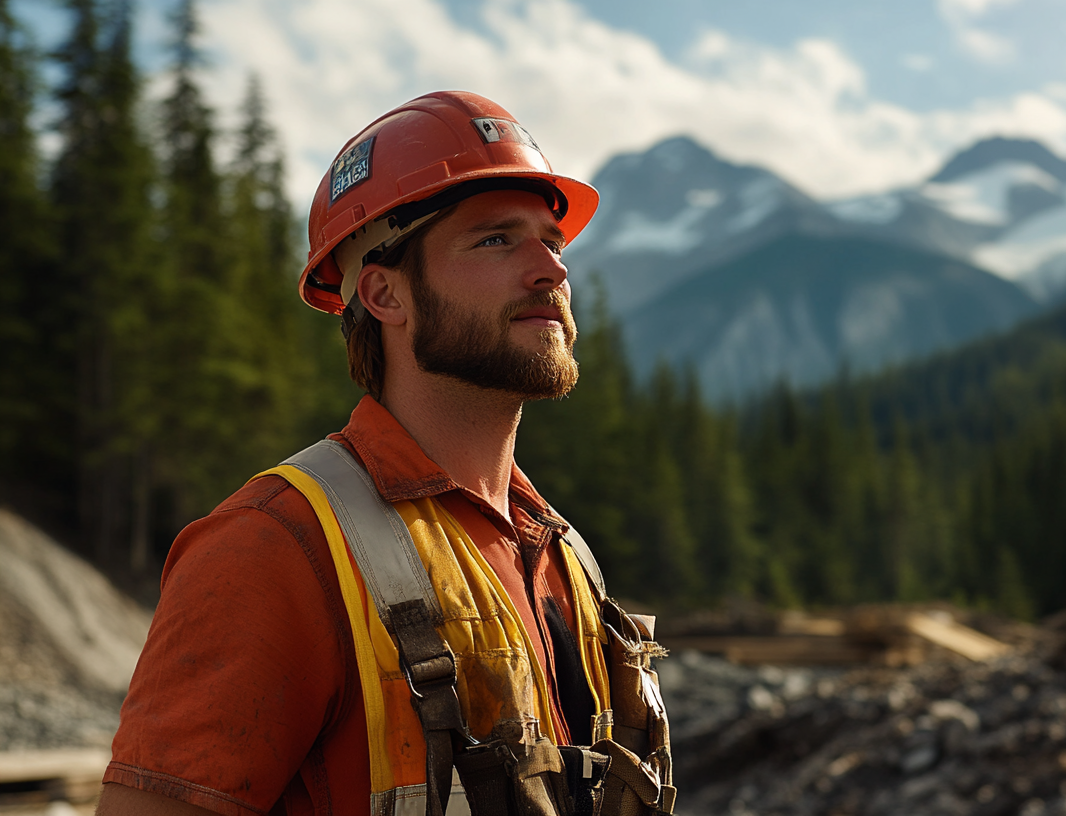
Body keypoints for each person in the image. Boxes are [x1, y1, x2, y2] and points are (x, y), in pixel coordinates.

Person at [96, 91, 674, 816]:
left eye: (551, 243)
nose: (550, 271)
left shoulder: (561, 557)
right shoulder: (275, 546)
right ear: (383, 294)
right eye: (495, 240)